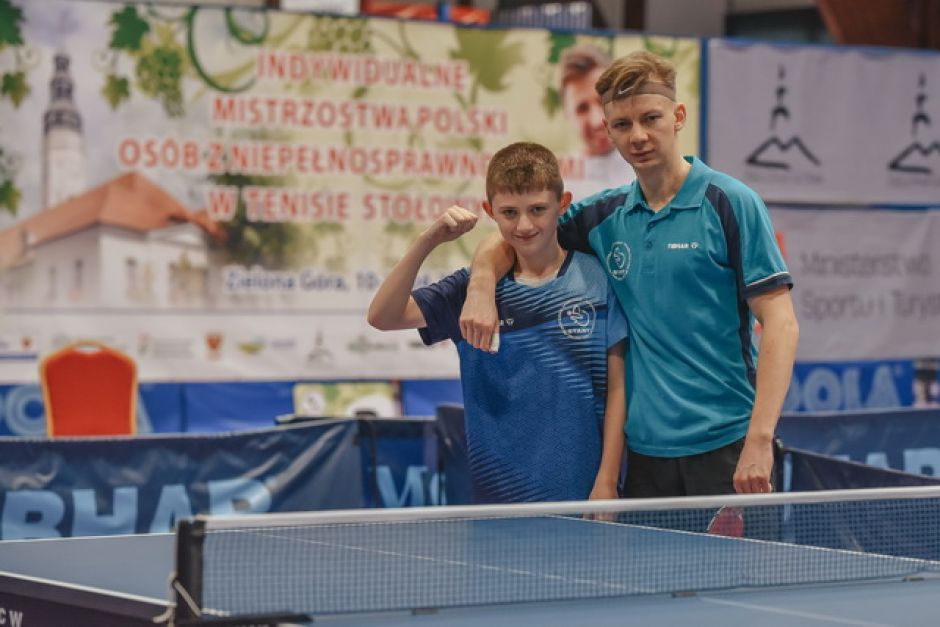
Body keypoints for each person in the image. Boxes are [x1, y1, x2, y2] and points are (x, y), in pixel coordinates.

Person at [458, 51, 799, 498]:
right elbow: (519, 233)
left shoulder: (729, 202)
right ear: (608, 130)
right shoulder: (604, 217)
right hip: (644, 456)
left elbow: (781, 323)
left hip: (727, 444)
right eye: (622, 124)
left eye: (650, 118)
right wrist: (481, 285)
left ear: (677, 116)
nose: (637, 136)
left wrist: (759, 440)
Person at [368, 142, 628, 504]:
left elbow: (618, 388)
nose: (524, 225)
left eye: (538, 209)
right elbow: (382, 316)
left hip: (584, 494)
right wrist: (429, 240)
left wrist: (607, 481)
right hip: (498, 499)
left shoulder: (599, 279)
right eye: (509, 213)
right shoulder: (469, 291)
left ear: (563, 204)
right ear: (490, 211)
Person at [559, 43, 636, 201]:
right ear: (567, 115)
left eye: (602, 101)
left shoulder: (650, 168)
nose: (596, 120)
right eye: (582, 108)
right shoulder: (557, 184)